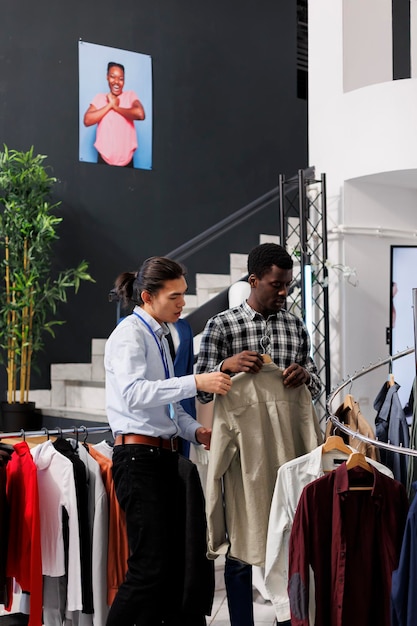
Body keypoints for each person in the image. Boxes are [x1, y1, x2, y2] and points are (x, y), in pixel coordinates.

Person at [195, 242, 322, 626]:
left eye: (288, 285)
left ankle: (290, 618)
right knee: (239, 545)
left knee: (290, 539)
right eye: (276, 285)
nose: (284, 293)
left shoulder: (295, 326)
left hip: (290, 452)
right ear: (254, 280)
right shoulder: (222, 326)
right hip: (243, 454)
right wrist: (226, 366)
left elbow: (316, 385)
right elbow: (200, 389)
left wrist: (306, 376)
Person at [104, 256, 232, 626]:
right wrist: (197, 382)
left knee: (176, 566)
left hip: (160, 459)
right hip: (138, 460)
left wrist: (196, 431)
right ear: (148, 296)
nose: (182, 303)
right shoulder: (130, 335)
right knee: (148, 569)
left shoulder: (160, 335)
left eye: (183, 294)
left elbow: (168, 406)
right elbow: (134, 394)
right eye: (174, 296)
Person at [83, 62, 145, 167]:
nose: (116, 82)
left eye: (121, 79)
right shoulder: (100, 98)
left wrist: (116, 108)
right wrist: (110, 105)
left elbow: (140, 114)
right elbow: (87, 120)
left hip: (127, 161)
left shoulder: (130, 95)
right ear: (107, 77)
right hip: (104, 159)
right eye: (112, 77)